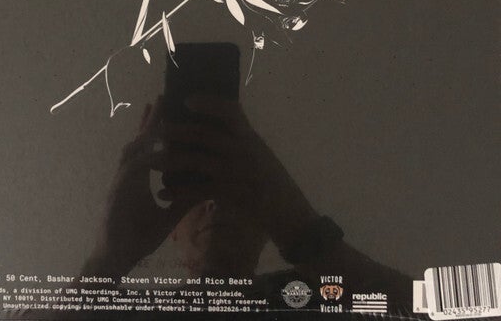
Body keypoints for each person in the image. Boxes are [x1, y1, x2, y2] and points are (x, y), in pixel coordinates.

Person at [79, 94, 412, 313]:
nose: (216, 203)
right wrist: (106, 261)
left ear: (267, 223)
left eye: (232, 191)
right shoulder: (134, 310)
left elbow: (430, 311)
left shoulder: (310, 295)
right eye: (197, 188)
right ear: (173, 230)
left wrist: (300, 227)